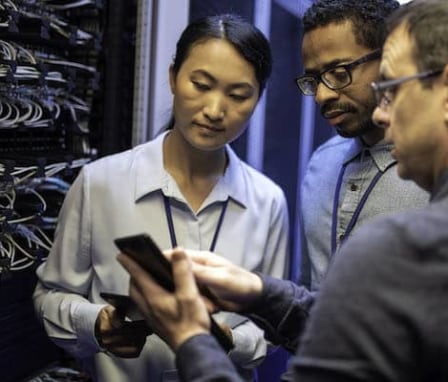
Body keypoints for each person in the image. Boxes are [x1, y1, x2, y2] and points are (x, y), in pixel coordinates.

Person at [118, 0, 448, 380]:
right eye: (313, 80)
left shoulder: (403, 244)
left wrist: (191, 338)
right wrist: (260, 294)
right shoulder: (322, 165)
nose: (381, 112)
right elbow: (349, 328)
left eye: (391, 87)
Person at [33, 14, 290, 382]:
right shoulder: (101, 183)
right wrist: (97, 324)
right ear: (173, 77)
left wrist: (230, 340)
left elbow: (273, 325)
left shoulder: (268, 202)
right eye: (200, 85)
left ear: (258, 99)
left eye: (238, 95)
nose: (215, 110)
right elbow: (50, 296)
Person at [297, 0, 428, 290]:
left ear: (388, 60)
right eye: (314, 79)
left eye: (338, 73)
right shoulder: (321, 163)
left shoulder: (433, 172)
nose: (321, 96)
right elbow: (307, 288)